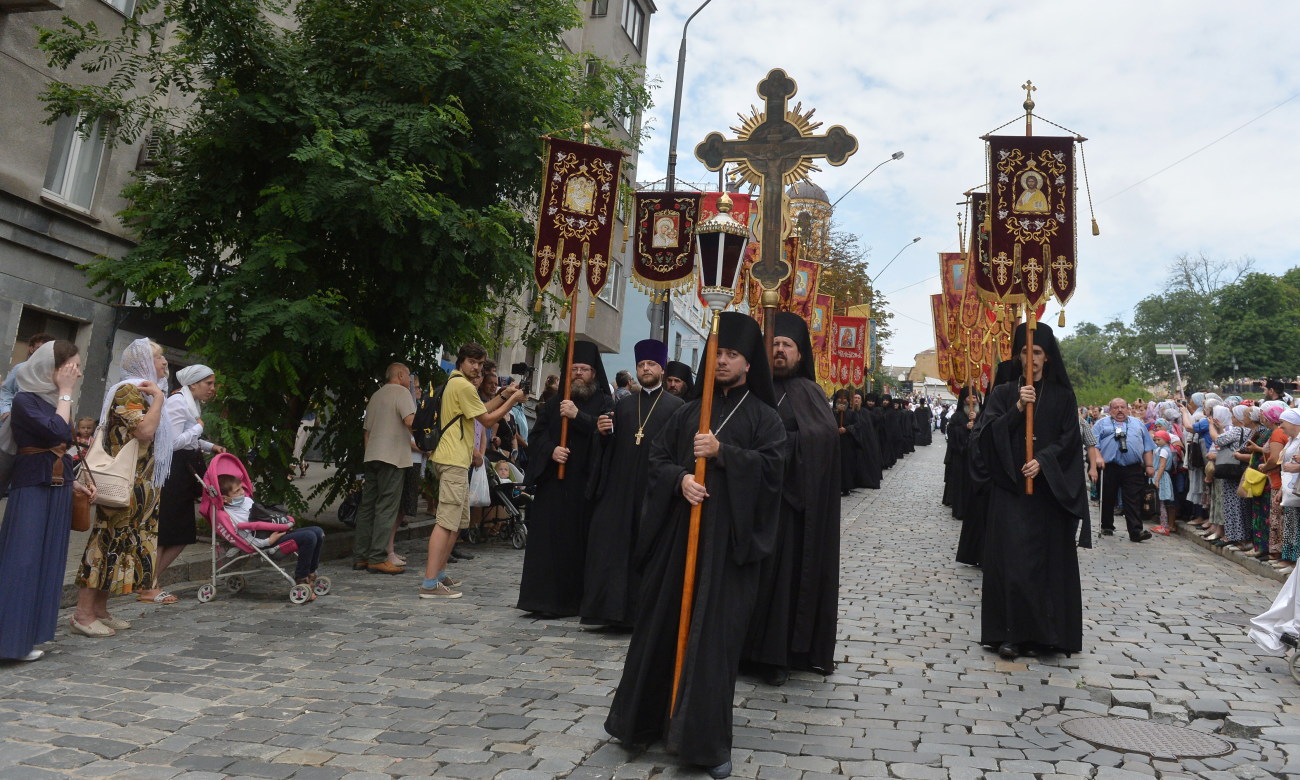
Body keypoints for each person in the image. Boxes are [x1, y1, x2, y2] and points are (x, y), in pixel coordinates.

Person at [605, 312, 786, 779]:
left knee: (713, 643)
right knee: (660, 626)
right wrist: (682, 478)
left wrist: (725, 455)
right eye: (718, 354)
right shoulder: (688, 412)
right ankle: (642, 723)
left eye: (731, 355)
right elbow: (659, 461)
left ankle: (704, 743)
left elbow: (773, 474)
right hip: (678, 541)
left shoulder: (766, 418)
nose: (722, 362)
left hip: (728, 547)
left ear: (748, 363)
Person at [973, 323, 1088, 660]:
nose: (1031, 358)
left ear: (1047, 357)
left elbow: (1069, 440)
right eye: (1026, 351)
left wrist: (1043, 461)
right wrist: (1018, 410)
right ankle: (1010, 634)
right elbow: (985, 437)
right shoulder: (1004, 393)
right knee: (1014, 564)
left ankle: (1046, 634)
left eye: (1037, 352)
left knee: (1046, 566)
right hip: (1012, 493)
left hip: (1048, 494)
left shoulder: (1064, 397)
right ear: (1018, 354)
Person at [743, 312, 839, 685]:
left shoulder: (809, 393)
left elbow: (823, 441)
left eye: (787, 346)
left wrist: (776, 445)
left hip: (787, 508)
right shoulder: (749, 389)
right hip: (747, 504)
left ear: (800, 355)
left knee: (781, 585)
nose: (779, 351)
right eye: (774, 345)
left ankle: (776, 655)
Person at [0, 341, 94, 660]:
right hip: (32, 485)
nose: (78, 373)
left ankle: (26, 638)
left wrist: (75, 485)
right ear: (53, 369)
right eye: (73, 367)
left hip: (56, 485)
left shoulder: (53, 400)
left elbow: (63, 447)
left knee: (46, 560)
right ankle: (8, 641)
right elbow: (57, 432)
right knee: (21, 560)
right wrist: (66, 392)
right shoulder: (26, 400)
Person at [581, 339, 683, 629]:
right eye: (641, 365)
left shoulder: (677, 407)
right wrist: (602, 435)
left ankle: (644, 616)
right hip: (621, 490)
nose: (646, 369)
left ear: (661, 369)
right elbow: (610, 448)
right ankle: (613, 613)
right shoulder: (623, 405)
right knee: (614, 548)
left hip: (655, 489)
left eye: (651, 364)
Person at [73, 338, 171, 634]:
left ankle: (100, 609)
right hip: (123, 484)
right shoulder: (131, 389)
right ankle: (82, 614)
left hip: (140, 486)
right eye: (158, 358)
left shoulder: (147, 391)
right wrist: (160, 401)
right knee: (105, 544)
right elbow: (144, 430)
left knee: (123, 546)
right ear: (142, 361)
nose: (165, 363)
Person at [516, 340, 615, 617]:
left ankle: (575, 601)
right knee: (548, 546)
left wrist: (578, 416)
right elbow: (535, 439)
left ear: (594, 373)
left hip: (585, 487)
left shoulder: (605, 403)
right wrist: (552, 450)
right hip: (553, 486)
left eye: (584, 369)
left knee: (578, 547)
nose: (579, 373)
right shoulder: (552, 405)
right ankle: (542, 601)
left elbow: (606, 438)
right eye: (574, 368)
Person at [420, 343, 525, 599]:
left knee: (456, 521)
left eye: (479, 363)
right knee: (446, 522)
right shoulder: (462, 385)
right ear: (461, 362)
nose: (476, 367)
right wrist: (512, 400)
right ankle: (430, 583)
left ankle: (440, 575)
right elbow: (488, 420)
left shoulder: (458, 384)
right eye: (472, 362)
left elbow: (482, 410)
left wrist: (503, 395)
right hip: (453, 458)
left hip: (456, 458)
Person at [152, 364, 227, 603]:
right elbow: (173, 442)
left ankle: (151, 580)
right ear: (193, 384)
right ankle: (150, 583)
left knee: (180, 532)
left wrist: (208, 445)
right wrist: (198, 427)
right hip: (175, 472)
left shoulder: (189, 403)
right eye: (209, 384)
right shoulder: (177, 402)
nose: (212, 389)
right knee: (170, 531)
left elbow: (188, 437)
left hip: (185, 471)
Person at [351, 363, 418, 575]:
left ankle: (361, 556)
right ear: (400, 374)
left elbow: (366, 432)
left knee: (367, 506)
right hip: (393, 457)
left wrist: (369, 453)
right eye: (408, 375)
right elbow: (410, 420)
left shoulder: (376, 395)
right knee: (386, 506)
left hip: (372, 456)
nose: (409, 379)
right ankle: (378, 557)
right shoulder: (402, 392)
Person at [217, 474, 325, 596]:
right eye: (237, 491)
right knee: (308, 537)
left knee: (318, 531)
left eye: (242, 488)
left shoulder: (247, 501)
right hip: (267, 542)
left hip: (276, 531)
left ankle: (311, 572)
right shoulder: (230, 515)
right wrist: (268, 541)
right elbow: (246, 539)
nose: (242, 493)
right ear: (225, 499)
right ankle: (301, 577)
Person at [1093, 397, 1156, 542]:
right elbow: (1093, 444)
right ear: (1110, 410)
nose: (1119, 410)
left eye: (1122, 407)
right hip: (1109, 466)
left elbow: (1147, 446)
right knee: (1108, 496)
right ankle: (1107, 525)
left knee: (1133, 499)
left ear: (1128, 409)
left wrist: (1149, 465)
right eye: (1115, 407)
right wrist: (1098, 457)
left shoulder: (1138, 424)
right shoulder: (1101, 424)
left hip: (1132, 468)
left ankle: (1136, 531)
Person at [0, 333, 54, 420]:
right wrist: (6, 410)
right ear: (31, 349)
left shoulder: (55, 373)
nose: (43, 352)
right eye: (39, 349)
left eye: (46, 349)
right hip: (15, 420)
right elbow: (6, 390)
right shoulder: (20, 369)